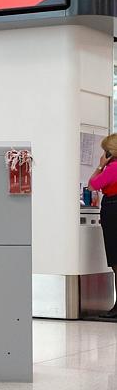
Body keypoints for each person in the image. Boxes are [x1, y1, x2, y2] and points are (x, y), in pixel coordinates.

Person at [88, 134, 117, 318]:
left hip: (113, 210)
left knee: (116, 262)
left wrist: (100, 165)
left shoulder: (113, 168)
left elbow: (92, 185)